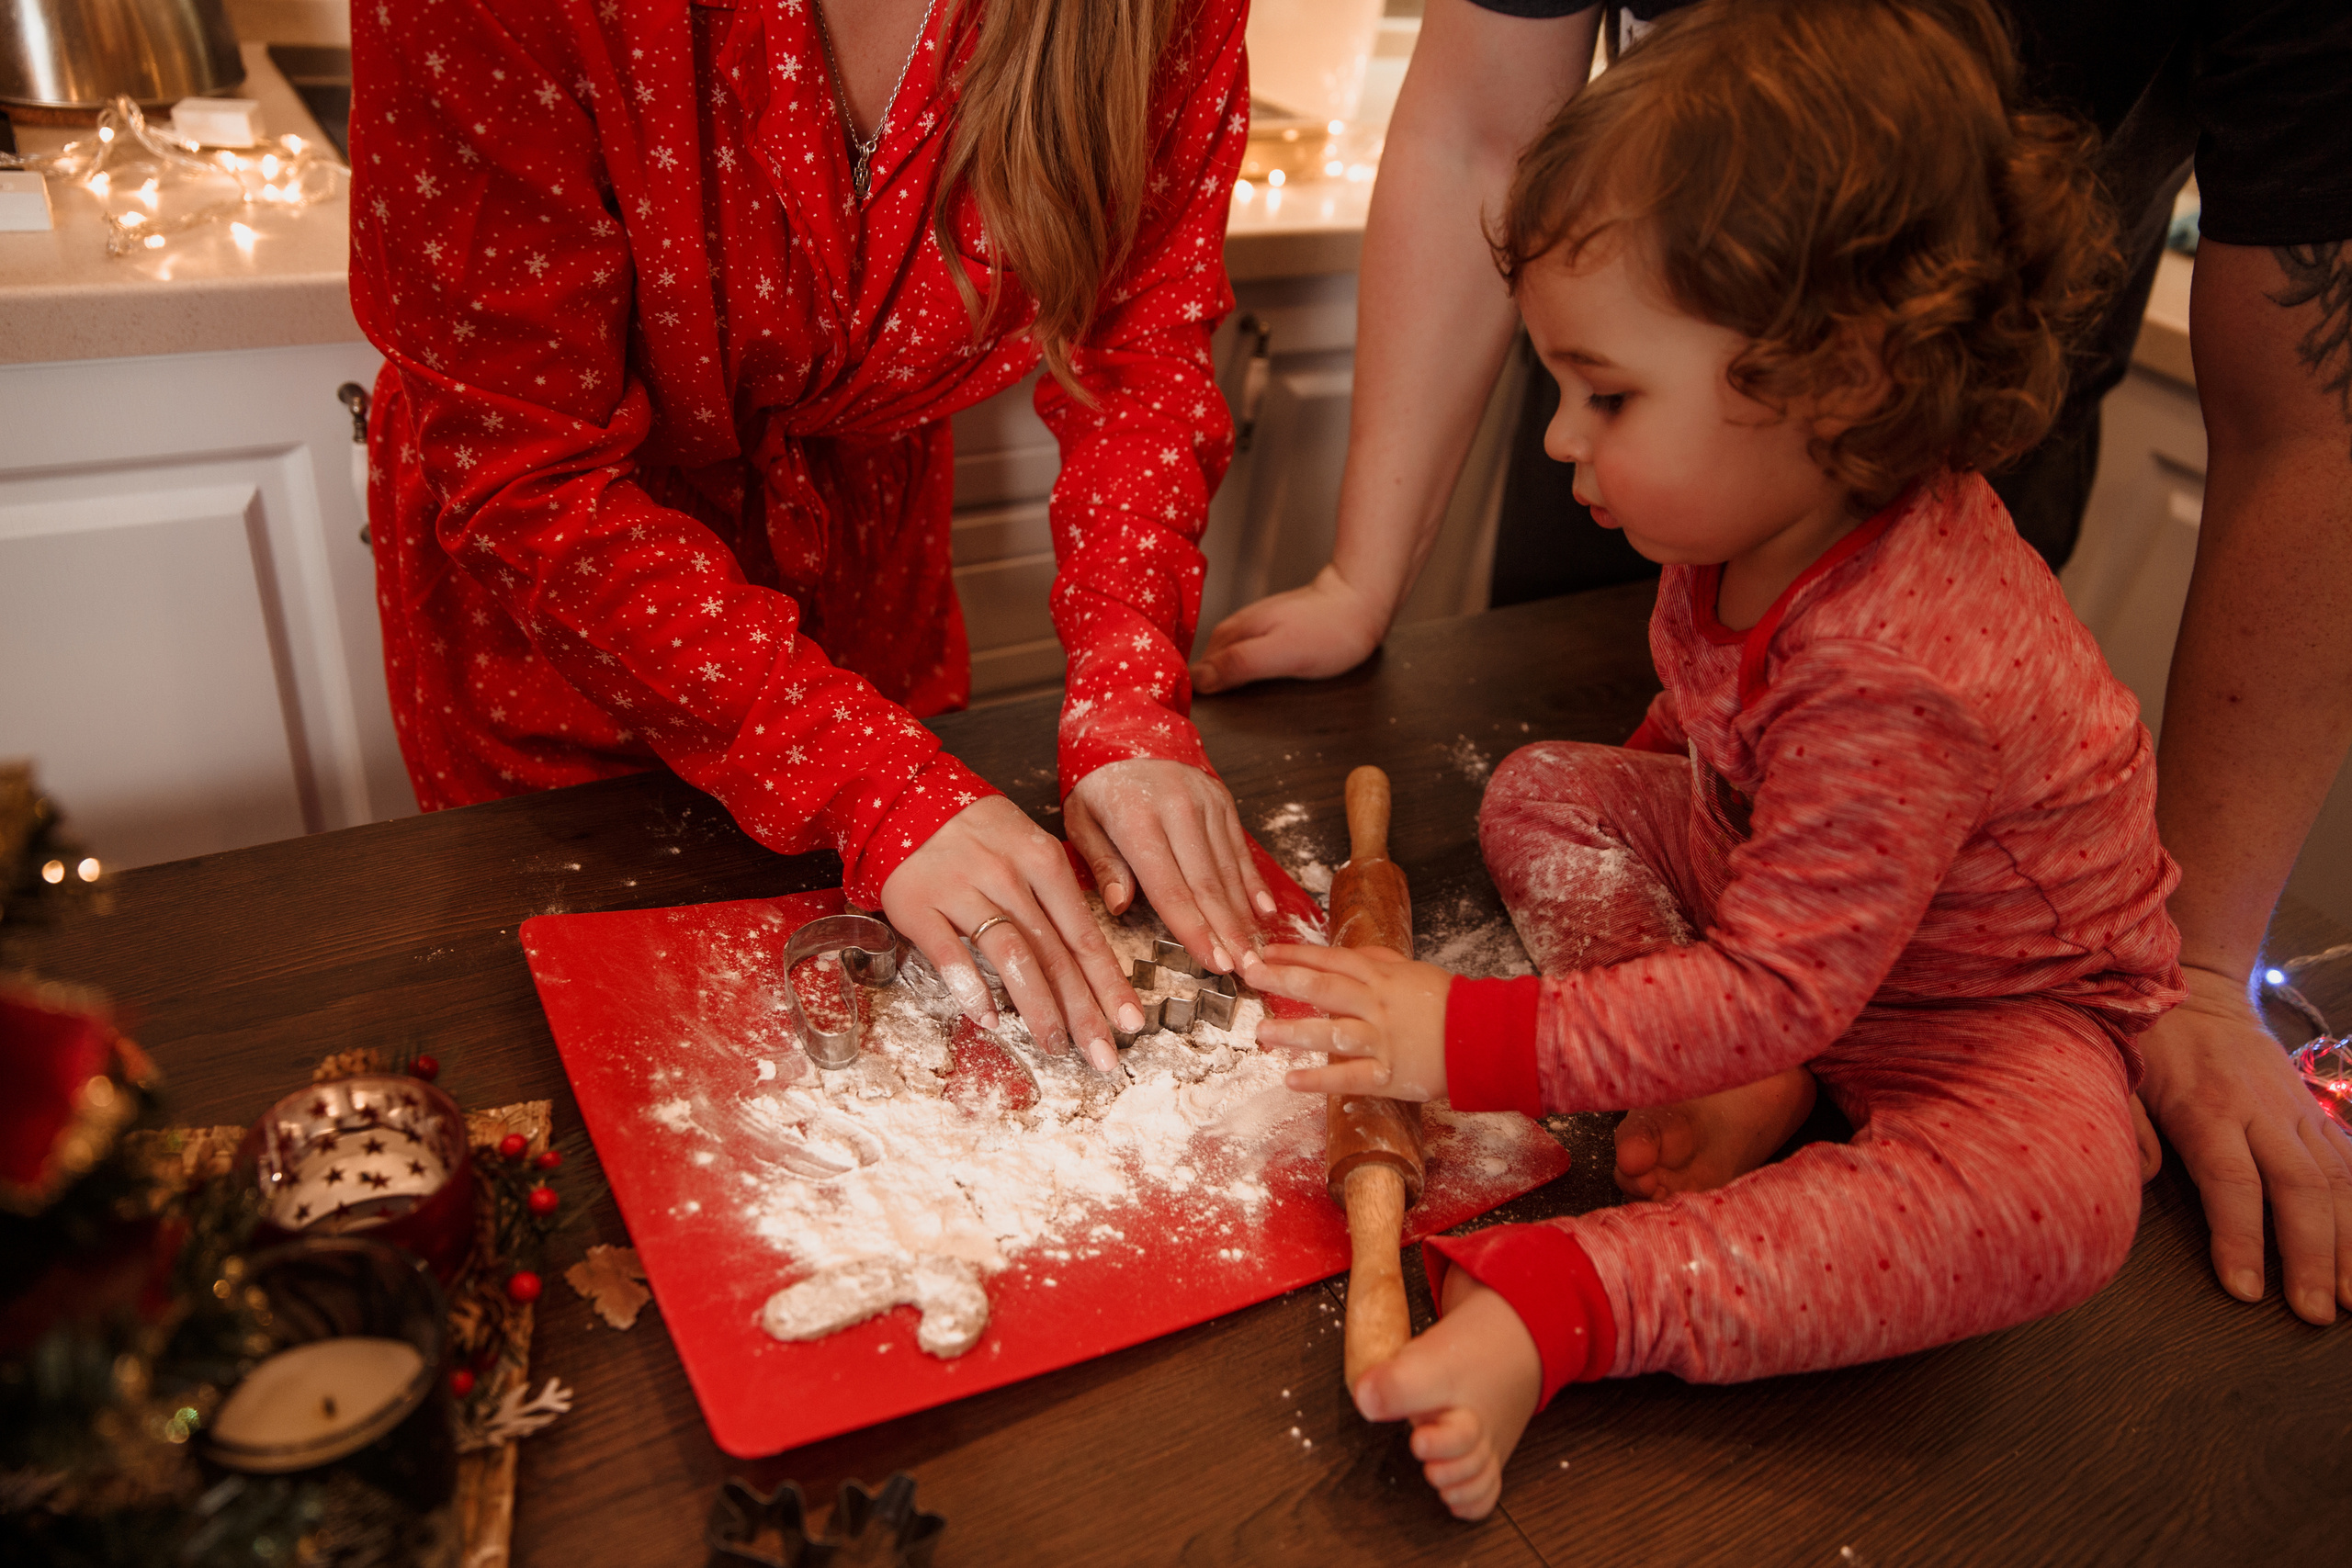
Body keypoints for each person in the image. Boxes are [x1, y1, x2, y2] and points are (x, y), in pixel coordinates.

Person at [1199, 0, 2352, 1327]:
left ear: (1834, 381)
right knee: (1538, 790)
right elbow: (1708, 726)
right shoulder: (1753, 506)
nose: (1563, 438)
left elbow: (1780, 970)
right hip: (1805, 913)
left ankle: (1595, 1295)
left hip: (1975, 1000)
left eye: (1607, 397)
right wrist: (1708, 1011)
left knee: (2064, 1195)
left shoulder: (1899, 662)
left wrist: (1457, 1032)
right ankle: (1730, 1062)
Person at [347, 0, 1279, 1071]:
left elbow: (1141, 354)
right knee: (607, 1052)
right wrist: (873, 780)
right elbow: (526, 467)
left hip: (865, 573)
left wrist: (1126, 686)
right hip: (567, 608)